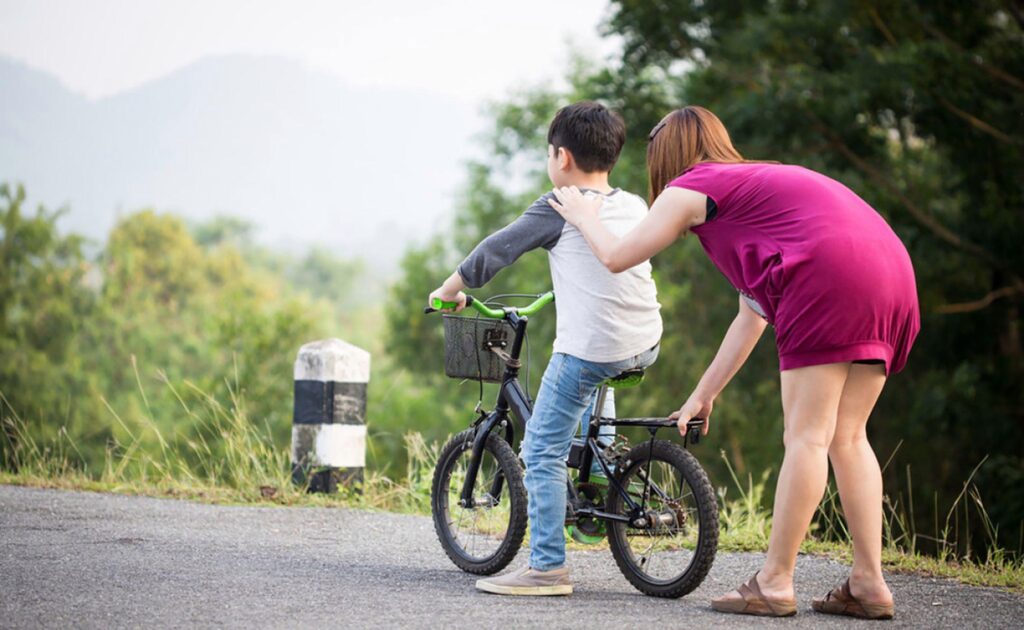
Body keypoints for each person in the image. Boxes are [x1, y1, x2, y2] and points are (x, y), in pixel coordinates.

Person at [549, 105, 919, 619]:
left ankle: (774, 582)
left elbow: (615, 256)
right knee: (847, 436)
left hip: (830, 277)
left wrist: (586, 215)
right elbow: (752, 313)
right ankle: (869, 583)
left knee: (807, 436)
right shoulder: (753, 189)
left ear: (665, 156)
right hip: (892, 273)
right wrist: (705, 391)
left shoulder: (690, 188)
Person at [429, 101, 663, 596]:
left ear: (560, 157)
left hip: (593, 349)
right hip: (644, 342)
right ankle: (598, 476)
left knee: (540, 449)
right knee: (589, 386)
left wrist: (449, 290)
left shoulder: (559, 203)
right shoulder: (633, 203)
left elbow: (499, 248)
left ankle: (548, 568)